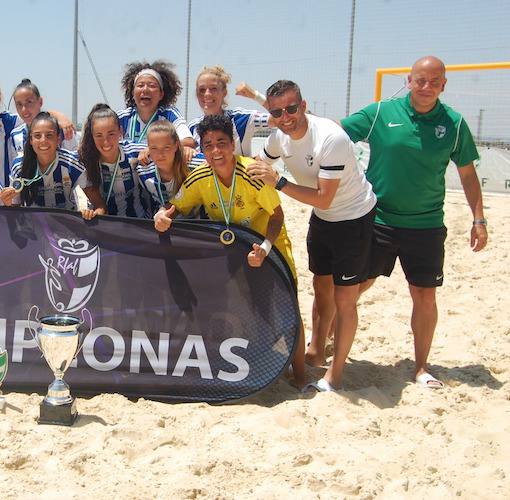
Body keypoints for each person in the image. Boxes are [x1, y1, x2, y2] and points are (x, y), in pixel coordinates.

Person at [341, 56, 488, 389]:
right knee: (356, 287)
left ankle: (421, 367)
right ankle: (330, 344)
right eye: (420, 80)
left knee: (424, 295)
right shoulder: (380, 112)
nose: (426, 87)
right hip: (377, 218)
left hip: (426, 225)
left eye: (434, 82)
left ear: (443, 85)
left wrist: (478, 219)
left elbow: (467, 174)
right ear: (409, 80)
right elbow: (333, 136)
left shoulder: (454, 123)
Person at [153, 113, 305, 387]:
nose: (215, 150)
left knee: (287, 308)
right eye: (208, 144)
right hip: (235, 253)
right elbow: (177, 205)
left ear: (232, 144)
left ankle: (302, 375)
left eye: (221, 143)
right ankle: (265, 362)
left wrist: (266, 247)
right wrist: (162, 215)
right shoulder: (200, 177)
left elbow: (277, 215)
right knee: (252, 307)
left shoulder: (253, 173)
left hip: (269, 246)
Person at [247, 80, 377, 392]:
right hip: (323, 220)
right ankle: (317, 352)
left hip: (353, 217)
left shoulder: (331, 139)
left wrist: (278, 183)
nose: (286, 116)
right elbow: (260, 163)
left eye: (292, 108)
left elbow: (323, 198)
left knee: (345, 298)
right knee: (321, 287)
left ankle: (336, 374)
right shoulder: (279, 136)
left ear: (304, 106)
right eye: (278, 112)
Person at [1, 112, 86, 209]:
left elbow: (86, 201)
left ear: (58, 139)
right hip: (32, 223)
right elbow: (15, 205)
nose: (43, 140)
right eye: (37, 136)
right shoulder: (19, 167)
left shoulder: (73, 164)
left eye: (49, 135)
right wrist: (7, 201)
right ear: (31, 140)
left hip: (67, 223)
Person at [77, 104, 148, 218]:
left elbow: (164, 147)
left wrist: (150, 150)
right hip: (107, 227)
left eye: (111, 134)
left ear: (120, 131)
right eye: (99, 135)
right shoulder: (85, 160)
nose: (105, 142)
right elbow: (99, 205)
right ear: (92, 136)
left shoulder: (134, 151)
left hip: (138, 224)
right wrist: (94, 212)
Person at [188, 65, 272, 156]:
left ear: (224, 92)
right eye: (202, 90)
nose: (207, 94)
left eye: (213, 88)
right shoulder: (192, 128)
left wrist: (255, 95)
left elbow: (281, 118)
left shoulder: (242, 119)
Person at [117, 61, 195, 147]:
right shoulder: (122, 117)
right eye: (140, 85)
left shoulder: (169, 114)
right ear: (133, 93)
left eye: (152, 86)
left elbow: (189, 141)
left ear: (161, 94)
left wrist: (154, 150)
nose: (145, 90)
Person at [137, 120, 205, 214]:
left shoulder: (197, 165)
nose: (160, 154)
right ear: (148, 148)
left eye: (166, 147)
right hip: (163, 224)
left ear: (176, 145)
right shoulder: (144, 173)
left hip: (198, 225)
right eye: (154, 148)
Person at [8, 79, 79, 159]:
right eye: (19, 104)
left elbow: (75, 161)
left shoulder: (63, 130)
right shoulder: (15, 136)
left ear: (40, 102)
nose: (24, 109)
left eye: (29, 102)